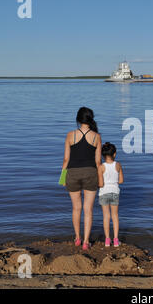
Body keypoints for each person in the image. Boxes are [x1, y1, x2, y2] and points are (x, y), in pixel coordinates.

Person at [62, 107, 101, 250]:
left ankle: (77, 238)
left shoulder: (70, 135)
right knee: (88, 210)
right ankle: (86, 242)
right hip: (91, 173)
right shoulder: (96, 137)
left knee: (76, 208)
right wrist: (101, 180)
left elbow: (66, 159)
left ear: (78, 120)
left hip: (72, 173)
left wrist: (62, 179)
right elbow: (98, 162)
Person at [98, 142, 124, 247]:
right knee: (115, 216)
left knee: (106, 216)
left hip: (104, 192)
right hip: (115, 192)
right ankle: (116, 240)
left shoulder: (101, 167)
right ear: (114, 154)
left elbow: (100, 184)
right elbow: (121, 180)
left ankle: (107, 240)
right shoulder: (118, 165)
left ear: (103, 155)